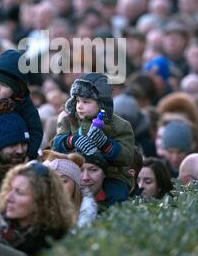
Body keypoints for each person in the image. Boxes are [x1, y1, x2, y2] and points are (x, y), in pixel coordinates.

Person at [51, 73, 135, 204]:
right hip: (74, 171)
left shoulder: (120, 126)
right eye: (78, 100)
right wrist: (72, 140)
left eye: (86, 102)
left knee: (117, 195)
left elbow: (128, 156)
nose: (79, 106)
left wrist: (106, 144)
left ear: (102, 103)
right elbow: (55, 145)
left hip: (112, 174)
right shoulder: (69, 121)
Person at [0, 161, 75, 256]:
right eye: (10, 189)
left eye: (19, 192)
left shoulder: (55, 245)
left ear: (41, 200)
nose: (9, 198)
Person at [42, 149, 97, 227]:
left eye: (63, 181)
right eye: (51, 182)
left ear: (75, 184)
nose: (57, 186)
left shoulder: (87, 212)